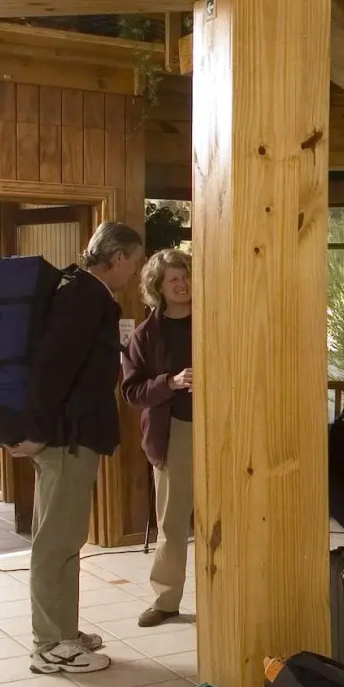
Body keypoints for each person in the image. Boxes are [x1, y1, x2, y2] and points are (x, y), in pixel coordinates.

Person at [12, 221, 145, 676]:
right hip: (65, 440)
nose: (135, 271)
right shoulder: (83, 297)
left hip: (71, 438)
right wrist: (37, 431)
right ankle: (49, 643)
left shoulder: (85, 293)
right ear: (119, 257)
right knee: (56, 542)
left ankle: (63, 632)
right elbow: (53, 369)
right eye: (136, 261)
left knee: (66, 539)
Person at [121, 248, 195, 628]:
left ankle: (232, 593)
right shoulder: (145, 335)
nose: (182, 284)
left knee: (231, 519)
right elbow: (132, 393)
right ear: (158, 287)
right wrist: (172, 382)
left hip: (223, 430)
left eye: (186, 276)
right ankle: (166, 601)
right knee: (172, 522)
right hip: (175, 433)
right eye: (174, 279)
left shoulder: (215, 320)